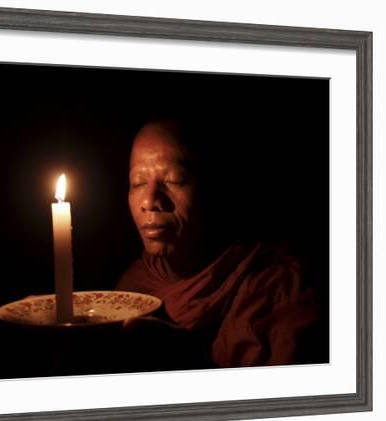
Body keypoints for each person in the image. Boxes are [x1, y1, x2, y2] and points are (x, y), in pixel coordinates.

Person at [117, 118, 327, 369]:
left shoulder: (272, 285)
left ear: (209, 186)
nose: (150, 200)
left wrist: (186, 358)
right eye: (137, 182)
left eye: (174, 180)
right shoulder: (131, 289)